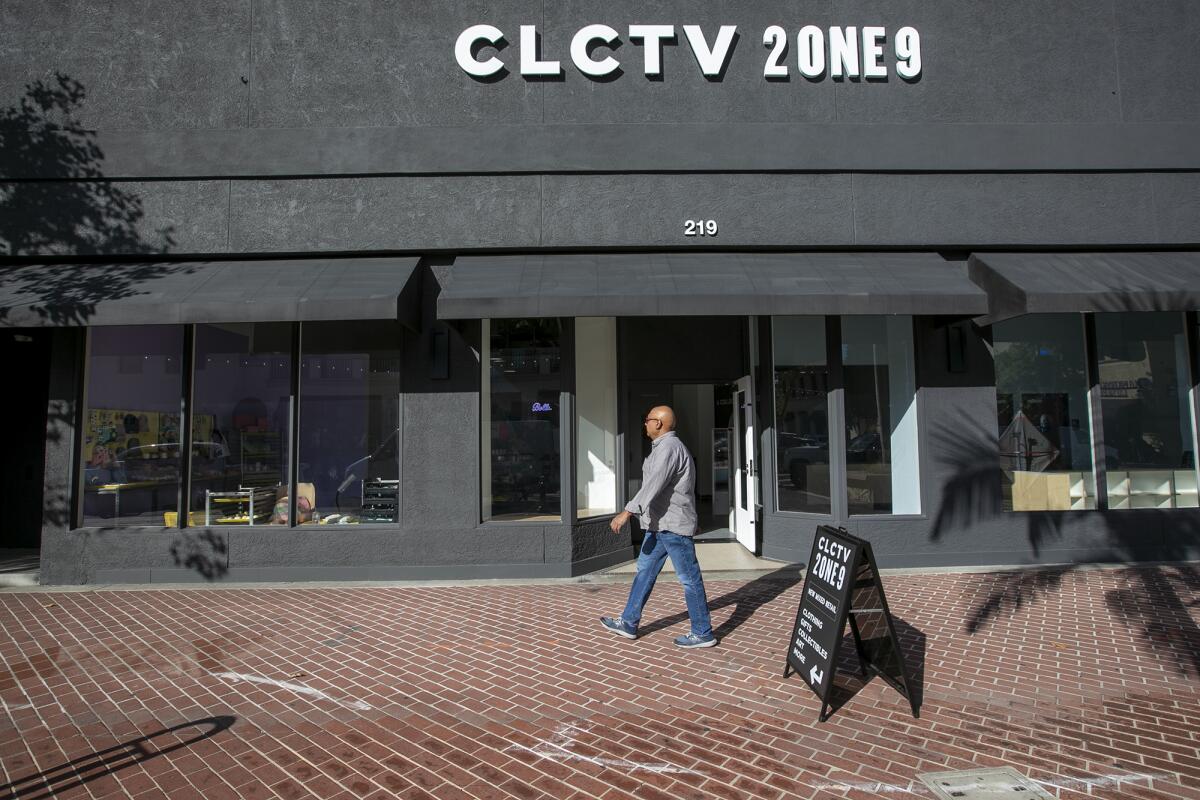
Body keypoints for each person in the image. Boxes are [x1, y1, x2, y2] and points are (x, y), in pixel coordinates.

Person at [601, 405, 716, 648]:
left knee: (689, 579)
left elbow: (652, 485)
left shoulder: (669, 448)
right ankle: (628, 622)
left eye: (648, 420)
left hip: (673, 527)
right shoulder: (662, 448)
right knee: (645, 571)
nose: (645, 424)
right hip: (659, 526)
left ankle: (703, 632)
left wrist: (626, 512)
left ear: (659, 423)